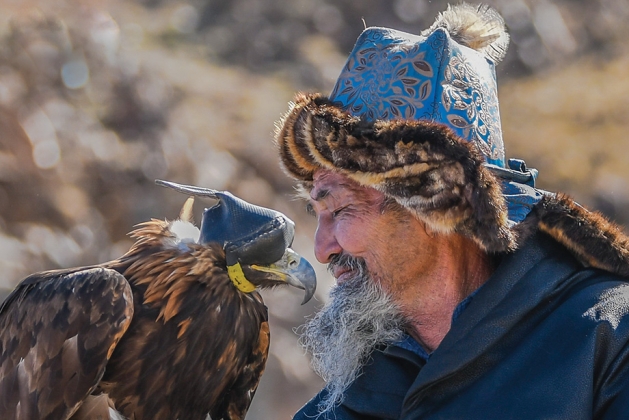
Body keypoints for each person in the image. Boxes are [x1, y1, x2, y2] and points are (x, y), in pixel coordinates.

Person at [274, 3, 629, 419]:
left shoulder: (608, 342)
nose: (321, 249)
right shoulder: (338, 410)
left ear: (433, 205)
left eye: (341, 209)